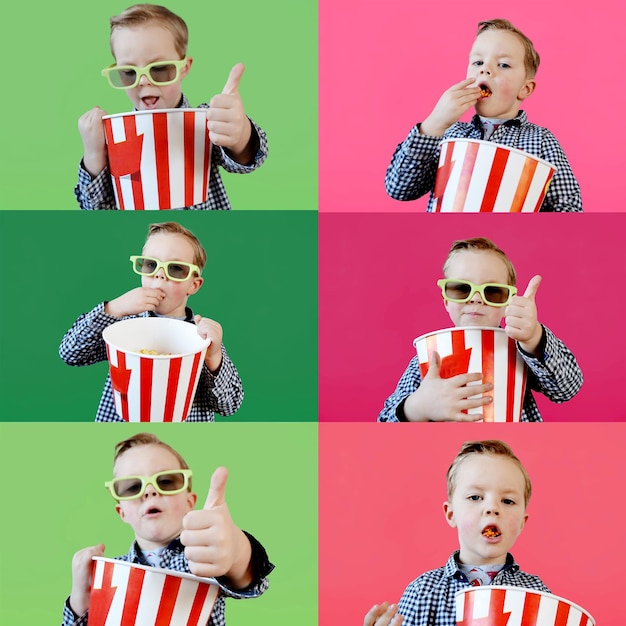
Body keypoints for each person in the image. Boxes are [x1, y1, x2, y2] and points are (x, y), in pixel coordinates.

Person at [62, 432, 274, 626]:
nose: (150, 491)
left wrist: (236, 553)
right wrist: (79, 603)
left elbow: (247, 580)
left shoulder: (200, 560)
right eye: (133, 487)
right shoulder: (109, 575)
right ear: (122, 512)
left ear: (190, 502)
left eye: (166, 481)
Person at [76, 3, 267, 210]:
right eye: (129, 72)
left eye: (159, 69)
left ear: (184, 68)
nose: (143, 82)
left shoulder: (204, 120)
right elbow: (95, 211)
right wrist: (94, 155)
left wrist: (239, 136)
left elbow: (246, 160)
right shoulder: (115, 136)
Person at [385, 19, 582, 212]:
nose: (484, 69)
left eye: (503, 65)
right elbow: (400, 189)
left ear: (525, 88)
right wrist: (435, 123)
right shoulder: (450, 135)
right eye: (478, 62)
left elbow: (568, 206)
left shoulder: (541, 141)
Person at [378, 237, 582, 422]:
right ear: (446, 301)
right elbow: (384, 422)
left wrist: (534, 337)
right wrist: (416, 407)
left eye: (493, 292)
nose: (475, 298)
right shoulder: (430, 359)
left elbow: (567, 388)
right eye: (460, 289)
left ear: (508, 303)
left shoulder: (519, 349)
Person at [59, 221, 243, 421]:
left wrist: (214, 356)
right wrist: (114, 308)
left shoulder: (202, 338)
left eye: (175, 269)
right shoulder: (123, 327)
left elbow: (229, 405)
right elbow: (71, 353)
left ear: (194, 285)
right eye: (150, 264)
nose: (160, 274)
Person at [364, 440, 548, 626]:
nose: (492, 508)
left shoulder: (537, 593)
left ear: (522, 523)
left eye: (508, 501)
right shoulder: (423, 592)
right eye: (475, 497)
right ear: (451, 514)